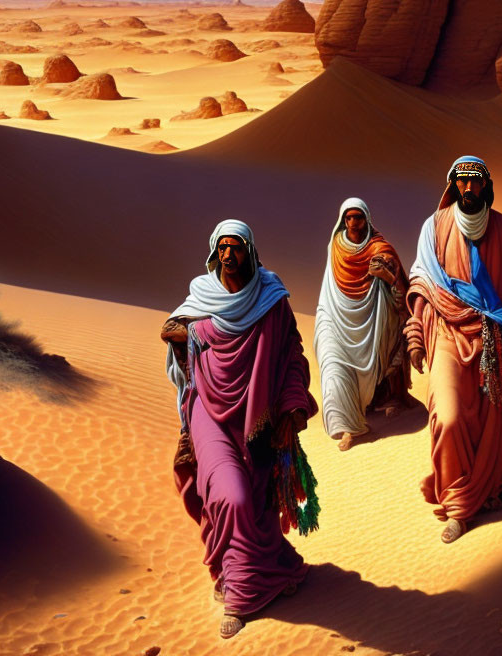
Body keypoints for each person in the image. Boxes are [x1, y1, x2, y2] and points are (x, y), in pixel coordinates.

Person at [162, 219, 320, 639]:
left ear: (250, 252)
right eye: (223, 247)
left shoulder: (271, 298)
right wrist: (182, 333)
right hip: (208, 412)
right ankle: (241, 595)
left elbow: (291, 354)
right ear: (214, 252)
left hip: (257, 413)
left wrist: (292, 407)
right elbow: (174, 327)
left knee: (257, 498)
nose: (229, 254)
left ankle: (268, 569)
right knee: (230, 495)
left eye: (237, 247)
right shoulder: (202, 295)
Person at [404, 156, 502, 543]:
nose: (467, 188)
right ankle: (458, 505)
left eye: (474, 182)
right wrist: (416, 332)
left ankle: (488, 486)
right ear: (452, 185)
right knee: (447, 416)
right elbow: (422, 282)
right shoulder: (434, 227)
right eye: (461, 181)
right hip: (446, 331)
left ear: (485, 187)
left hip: (491, 334)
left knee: (492, 414)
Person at [314, 198, 414, 451]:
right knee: (332, 366)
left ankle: (375, 407)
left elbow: (404, 297)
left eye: (357, 217)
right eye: (348, 218)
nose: (352, 223)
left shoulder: (381, 249)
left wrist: (387, 276)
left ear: (367, 219)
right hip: (335, 319)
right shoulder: (335, 247)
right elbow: (329, 289)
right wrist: (325, 317)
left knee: (373, 369)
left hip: (375, 325)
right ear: (342, 220)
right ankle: (351, 427)